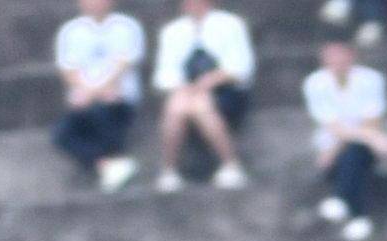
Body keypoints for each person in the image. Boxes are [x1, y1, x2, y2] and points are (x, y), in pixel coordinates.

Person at [150, 0, 257, 186]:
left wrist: (209, 81)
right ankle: (169, 171)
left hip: (227, 91)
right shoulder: (172, 31)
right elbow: (164, 73)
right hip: (187, 91)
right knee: (176, 106)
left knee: (200, 105)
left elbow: (241, 68)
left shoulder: (231, 24)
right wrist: (183, 87)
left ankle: (231, 165)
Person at [303, 35, 387, 235]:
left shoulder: (372, 79)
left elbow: (371, 122)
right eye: (330, 55)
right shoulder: (314, 83)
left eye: (339, 54)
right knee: (352, 157)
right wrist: (377, 139)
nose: (335, 60)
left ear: (351, 55)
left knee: (354, 153)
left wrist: (367, 138)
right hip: (334, 146)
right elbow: (333, 127)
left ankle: (340, 198)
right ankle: (358, 215)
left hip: (360, 146)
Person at [53, 0, 149, 186]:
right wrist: (88, 91)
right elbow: (67, 69)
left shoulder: (127, 27)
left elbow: (125, 63)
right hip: (84, 99)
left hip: (118, 98)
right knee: (61, 134)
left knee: (102, 113)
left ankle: (112, 164)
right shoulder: (70, 31)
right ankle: (108, 165)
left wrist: (100, 89)